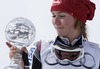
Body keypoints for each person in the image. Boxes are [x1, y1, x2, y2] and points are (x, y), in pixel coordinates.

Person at [7, 0, 100, 69]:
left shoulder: (97, 53)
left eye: (62, 16)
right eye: (53, 15)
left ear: (78, 19)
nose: (56, 22)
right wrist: (22, 63)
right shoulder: (40, 49)